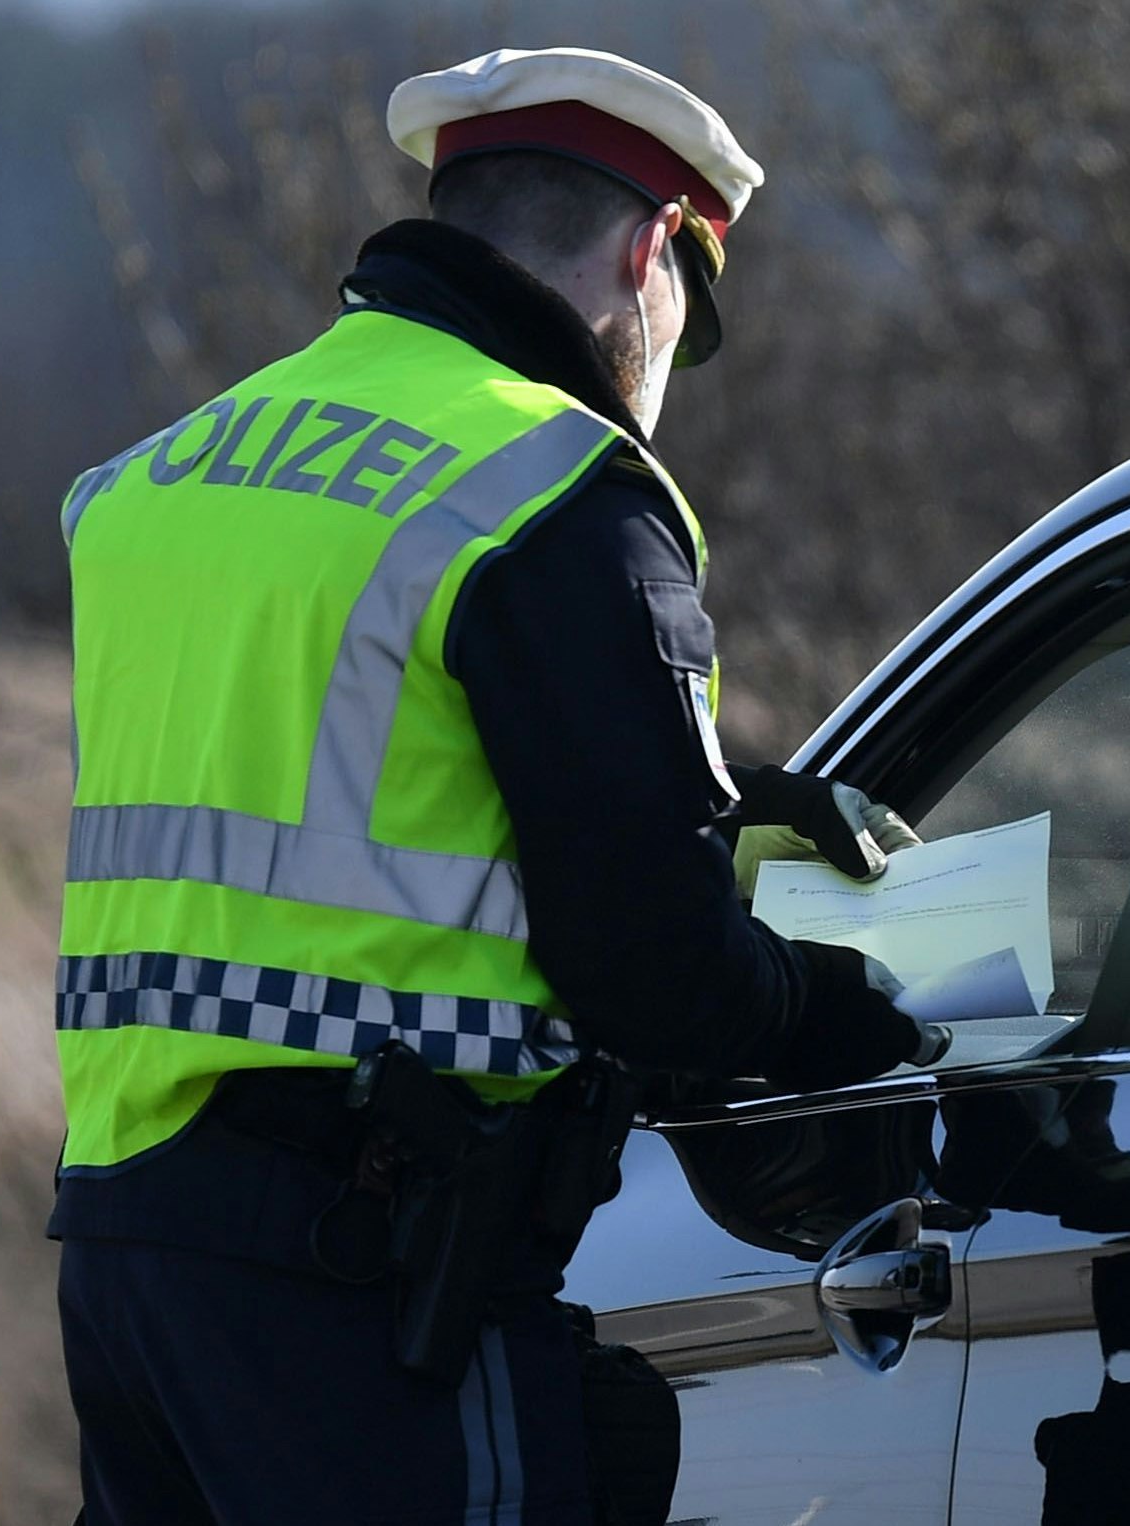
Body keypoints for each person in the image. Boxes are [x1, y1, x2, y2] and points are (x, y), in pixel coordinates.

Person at [50, 47, 933, 1525]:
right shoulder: (550, 488)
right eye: (684, 322)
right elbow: (655, 977)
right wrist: (831, 1007)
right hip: (366, 1282)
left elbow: (343, 792)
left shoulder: (164, 476)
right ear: (655, 254)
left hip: (130, 1262)